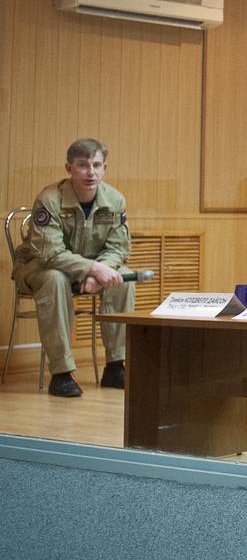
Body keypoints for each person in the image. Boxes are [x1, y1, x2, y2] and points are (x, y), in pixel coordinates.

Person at [12, 139, 132, 397]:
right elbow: (48, 253)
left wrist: (100, 271)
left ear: (105, 168)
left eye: (97, 165)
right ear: (69, 168)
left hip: (85, 270)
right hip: (39, 267)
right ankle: (61, 372)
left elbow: (118, 249)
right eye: (83, 165)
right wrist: (91, 269)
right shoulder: (49, 199)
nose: (91, 172)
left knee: (123, 277)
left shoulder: (115, 200)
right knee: (55, 279)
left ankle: (115, 365)